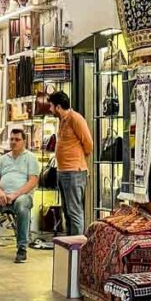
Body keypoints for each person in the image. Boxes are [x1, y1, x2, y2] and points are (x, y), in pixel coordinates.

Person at [0, 127, 39, 263]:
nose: (13, 142)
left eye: (17, 140)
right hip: (1, 196)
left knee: (22, 205)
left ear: (24, 141)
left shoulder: (30, 158)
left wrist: (15, 195)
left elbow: (33, 181)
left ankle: (22, 248)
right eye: (11, 139)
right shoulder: (2, 159)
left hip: (22, 196)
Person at [48, 91, 92, 236]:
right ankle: (70, 244)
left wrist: (77, 159)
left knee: (74, 211)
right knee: (67, 211)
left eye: (51, 106)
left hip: (74, 172)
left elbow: (88, 144)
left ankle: (77, 248)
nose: (50, 109)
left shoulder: (75, 119)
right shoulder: (62, 120)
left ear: (58, 107)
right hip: (63, 172)